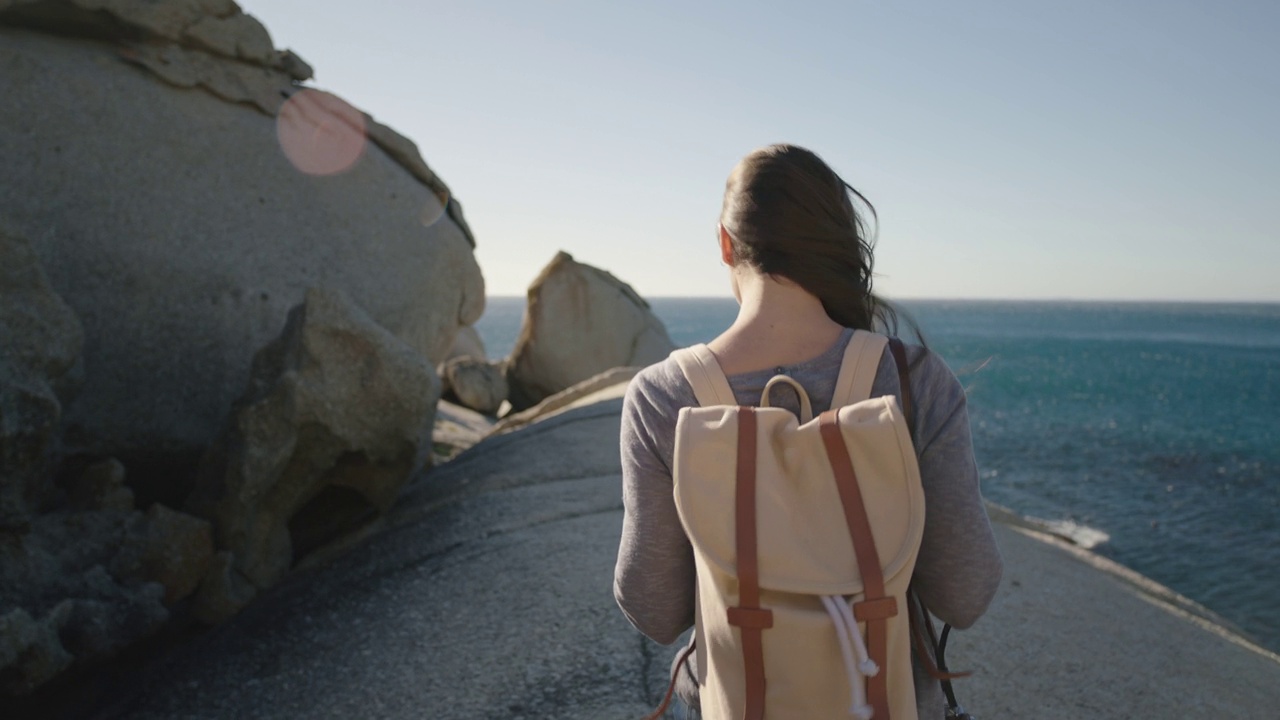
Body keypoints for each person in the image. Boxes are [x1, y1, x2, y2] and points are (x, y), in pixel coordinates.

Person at [613, 143, 1003, 719]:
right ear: (838, 246)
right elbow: (964, 595)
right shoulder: (913, 380)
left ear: (725, 244)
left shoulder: (664, 396)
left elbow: (654, 608)